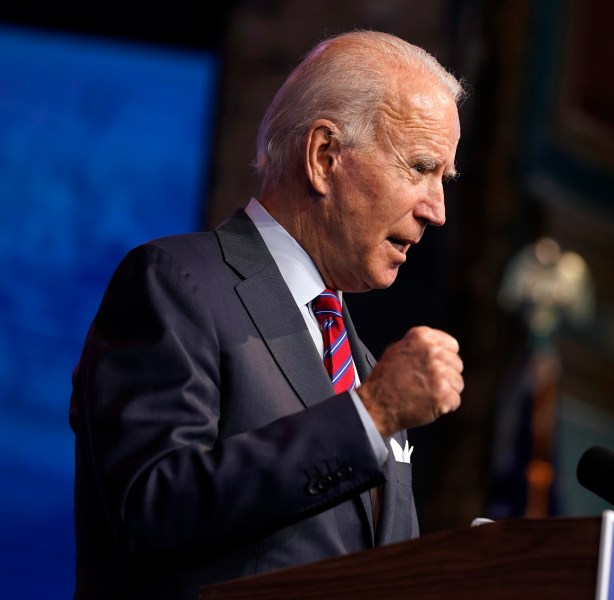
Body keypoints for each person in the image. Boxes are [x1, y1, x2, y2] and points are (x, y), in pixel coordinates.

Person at [69, 30, 465, 599]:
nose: (437, 210)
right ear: (325, 157)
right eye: (420, 167)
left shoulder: (360, 363)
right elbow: (152, 508)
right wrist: (370, 415)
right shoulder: (177, 282)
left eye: (443, 179)